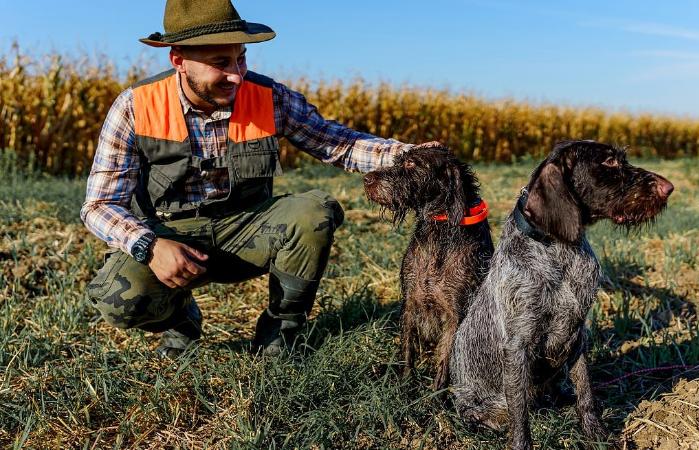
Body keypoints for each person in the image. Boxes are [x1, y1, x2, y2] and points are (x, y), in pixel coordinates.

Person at [81, 0, 439, 358]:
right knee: (118, 299)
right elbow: (99, 206)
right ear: (178, 60)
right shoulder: (135, 106)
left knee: (313, 213)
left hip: (248, 230)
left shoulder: (269, 97)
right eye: (220, 63)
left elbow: (337, 142)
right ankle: (180, 318)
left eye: (241, 58)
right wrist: (150, 246)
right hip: (171, 237)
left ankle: (279, 334)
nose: (236, 74)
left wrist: (408, 155)